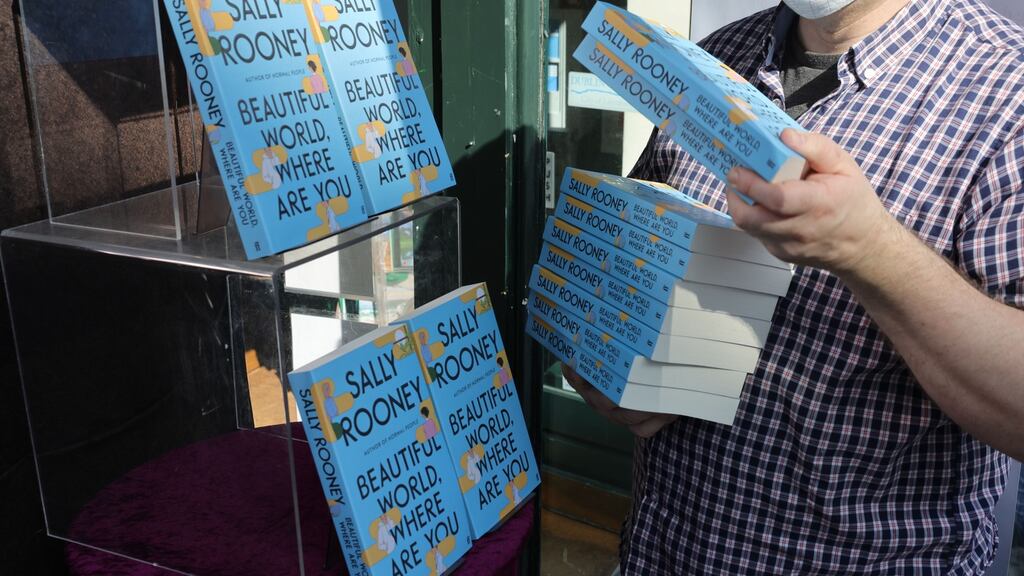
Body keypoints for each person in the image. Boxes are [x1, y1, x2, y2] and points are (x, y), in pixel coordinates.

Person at [563, 0, 1024, 573]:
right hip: (662, 549)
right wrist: (604, 353)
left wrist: (870, 250)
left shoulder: (1008, 91)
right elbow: (637, 250)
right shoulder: (718, 55)